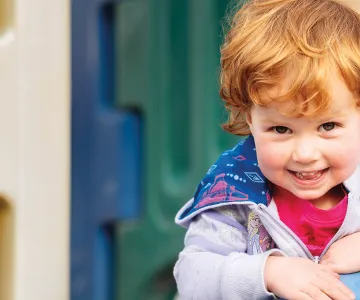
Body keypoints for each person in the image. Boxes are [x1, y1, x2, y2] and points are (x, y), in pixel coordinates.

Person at [173, 0, 360, 299]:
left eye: (327, 126)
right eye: (281, 129)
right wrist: (267, 273)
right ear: (251, 119)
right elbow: (192, 277)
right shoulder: (234, 195)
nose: (305, 154)